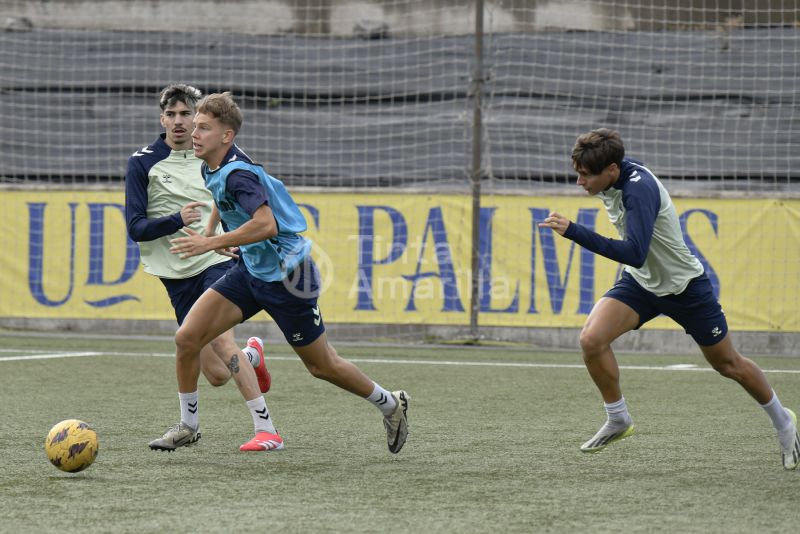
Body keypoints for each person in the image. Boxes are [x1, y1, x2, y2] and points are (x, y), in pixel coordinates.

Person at [538, 128, 799, 469]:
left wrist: (573, 231)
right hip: (643, 285)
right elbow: (640, 264)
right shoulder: (613, 174)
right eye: (578, 173)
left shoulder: (638, 191)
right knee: (591, 339)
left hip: (684, 288)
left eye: (585, 175)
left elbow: (634, 253)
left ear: (612, 170)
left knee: (728, 364)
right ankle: (618, 418)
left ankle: (784, 423)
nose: (579, 182)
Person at [167, 91, 410, 453]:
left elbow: (265, 224)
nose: (193, 133)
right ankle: (189, 425)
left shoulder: (238, 175)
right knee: (188, 338)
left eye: (203, 127)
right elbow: (223, 200)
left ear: (227, 136)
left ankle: (390, 404)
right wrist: (214, 232)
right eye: (195, 127)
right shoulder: (211, 165)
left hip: (288, 278)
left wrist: (212, 244)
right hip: (251, 271)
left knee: (322, 365)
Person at [125, 84, 273, 451]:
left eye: (186, 114)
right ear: (162, 119)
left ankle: (264, 429)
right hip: (174, 274)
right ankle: (253, 355)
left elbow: (242, 196)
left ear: (198, 120)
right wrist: (175, 219)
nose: (179, 121)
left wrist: (226, 238)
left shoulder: (213, 154)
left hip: (214, 261)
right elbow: (135, 227)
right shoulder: (142, 162)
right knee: (218, 373)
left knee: (222, 342)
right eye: (171, 114)